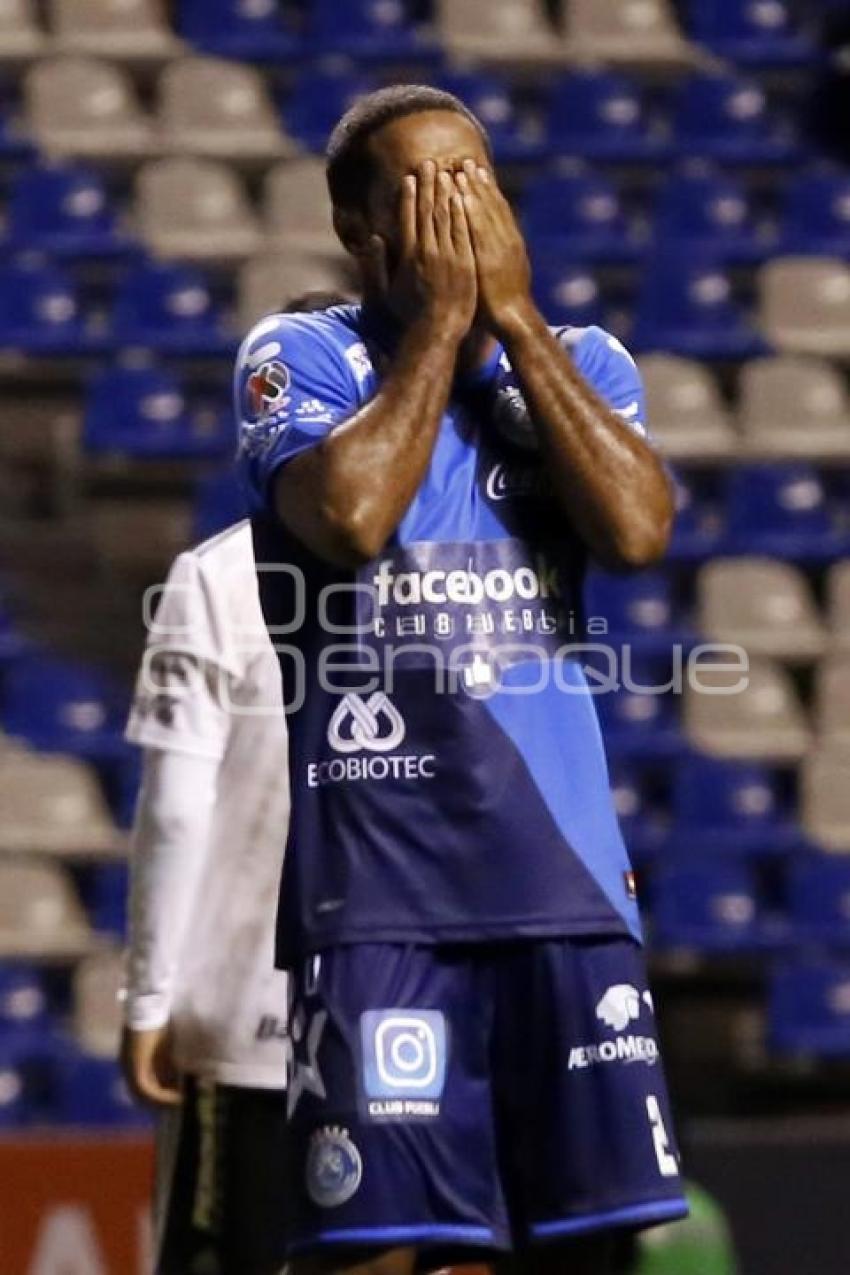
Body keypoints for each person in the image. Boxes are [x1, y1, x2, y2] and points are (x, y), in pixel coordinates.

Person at [235, 84, 685, 1275]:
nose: (457, 214)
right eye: (425, 193)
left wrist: (519, 323)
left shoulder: (581, 362)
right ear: (358, 229)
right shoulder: (302, 356)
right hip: (382, 898)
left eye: (474, 184)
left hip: (564, 883)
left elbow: (639, 531)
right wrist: (439, 328)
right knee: (377, 1253)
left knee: (592, 1246)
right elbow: (347, 514)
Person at [120, 291, 347, 1275]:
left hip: (244, 1021)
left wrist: (147, 1000)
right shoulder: (444, 576)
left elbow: (175, 809)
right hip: (393, 1017)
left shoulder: (211, 580)